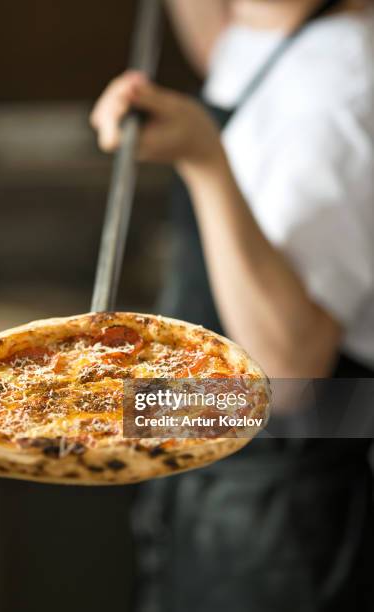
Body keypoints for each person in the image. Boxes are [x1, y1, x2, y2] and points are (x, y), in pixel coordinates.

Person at [91, 1, 374, 610]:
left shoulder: (338, 90)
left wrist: (203, 161)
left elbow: (291, 380)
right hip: (219, 492)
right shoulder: (263, 34)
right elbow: (217, 44)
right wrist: (137, 411)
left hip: (288, 519)